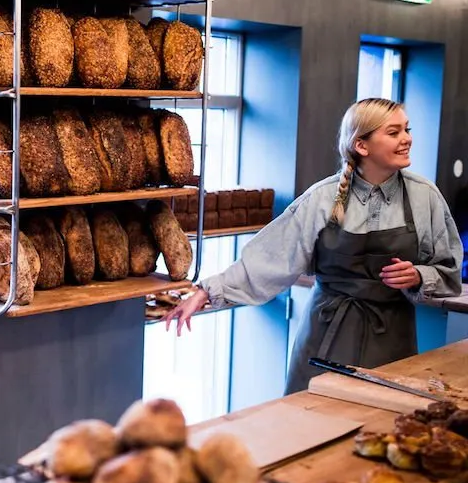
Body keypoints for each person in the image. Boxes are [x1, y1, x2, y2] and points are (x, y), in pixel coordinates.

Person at [163, 98, 463, 394]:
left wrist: (420, 276)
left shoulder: (425, 197)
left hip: (393, 339)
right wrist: (207, 291)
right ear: (362, 145)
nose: (407, 139)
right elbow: (271, 258)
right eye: (394, 132)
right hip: (325, 338)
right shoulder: (321, 198)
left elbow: (448, 271)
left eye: (407, 130)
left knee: (382, 432)